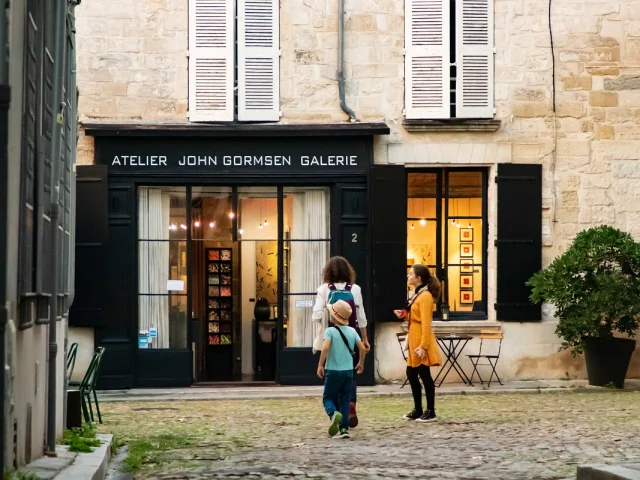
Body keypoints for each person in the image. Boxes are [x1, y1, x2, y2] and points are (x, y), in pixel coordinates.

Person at [312, 256, 369, 428]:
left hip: (331, 336)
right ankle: (350, 403)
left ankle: (335, 411)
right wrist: (364, 339)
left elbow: (316, 314)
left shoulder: (324, 289)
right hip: (350, 337)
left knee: (332, 373)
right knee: (349, 374)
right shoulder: (355, 289)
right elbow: (361, 317)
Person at [394, 264, 442, 422]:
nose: (408, 276)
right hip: (414, 337)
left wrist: (424, 346)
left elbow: (426, 323)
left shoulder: (425, 296)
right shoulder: (416, 295)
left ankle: (431, 411)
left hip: (421, 339)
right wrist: (404, 315)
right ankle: (418, 409)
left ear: (418, 278)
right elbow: (414, 317)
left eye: (411, 274)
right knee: (411, 373)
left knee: (424, 374)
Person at [317, 300, 366, 439]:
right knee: (345, 400)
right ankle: (344, 429)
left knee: (328, 398)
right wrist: (361, 363)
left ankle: (333, 414)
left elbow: (325, 347)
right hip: (348, 371)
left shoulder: (330, 331)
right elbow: (362, 347)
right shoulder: (352, 331)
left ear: (334, 316)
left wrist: (320, 364)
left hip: (332, 371)